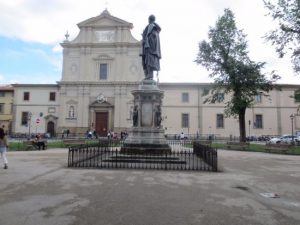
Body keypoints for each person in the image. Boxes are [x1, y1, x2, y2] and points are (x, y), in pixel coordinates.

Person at [141, 14, 161, 80]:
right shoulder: (151, 27)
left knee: (149, 61)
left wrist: (146, 40)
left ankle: (150, 75)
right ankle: (149, 75)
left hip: (150, 48)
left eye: (148, 19)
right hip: (148, 47)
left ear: (149, 19)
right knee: (146, 61)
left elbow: (152, 36)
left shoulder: (152, 26)